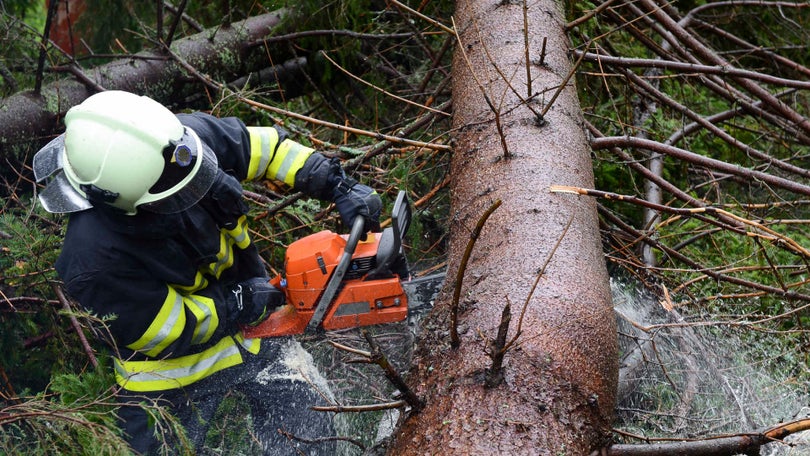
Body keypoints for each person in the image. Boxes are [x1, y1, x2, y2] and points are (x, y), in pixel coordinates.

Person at [33, 90, 382, 455]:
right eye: (171, 197)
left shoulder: (177, 143)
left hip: (255, 331)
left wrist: (333, 182)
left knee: (317, 437)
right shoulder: (92, 260)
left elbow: (262, 148)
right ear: (120, 203)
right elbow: (167, 328)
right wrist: (239, 301)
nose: (189, 197)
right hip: (168, 382)